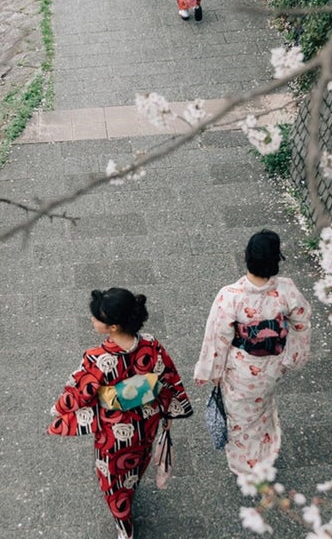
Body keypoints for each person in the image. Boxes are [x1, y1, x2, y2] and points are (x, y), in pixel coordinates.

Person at [49, 288, 192, 539]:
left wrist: (60, 408)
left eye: (96, 318)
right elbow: (167, 378)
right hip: (146, 423)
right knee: (137, 462)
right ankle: (131, 487)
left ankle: (124, 526)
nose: (92, 320)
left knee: (113, 479)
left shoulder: (97, 358)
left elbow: (80, 392)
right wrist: (168, 413)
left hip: (115, 431)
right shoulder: (151, 345)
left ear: (113, 326)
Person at [194, 230, 312, 478]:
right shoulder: (286, 291)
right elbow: (301, 321)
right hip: (272, 366)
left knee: (240, 420)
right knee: (262, 410)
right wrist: (292, 358)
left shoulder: (230, 296)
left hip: (240, 370)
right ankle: (266, 452)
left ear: (246, 257)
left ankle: (245, 468)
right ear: (276, 262)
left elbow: (218, 338)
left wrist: (212, 372)